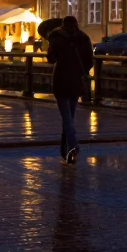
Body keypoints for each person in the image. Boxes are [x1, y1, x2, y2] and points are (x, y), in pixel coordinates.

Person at [46, 15, 94, 166]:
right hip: (76, 81)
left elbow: (51, 59)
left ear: (63, 25)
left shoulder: (56, 37)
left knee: (66, 117)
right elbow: (89, 62)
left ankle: (73, 145)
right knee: (70, 116)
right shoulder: (84, 38)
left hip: (60, 79)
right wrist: (81, 71)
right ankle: (65, 149)